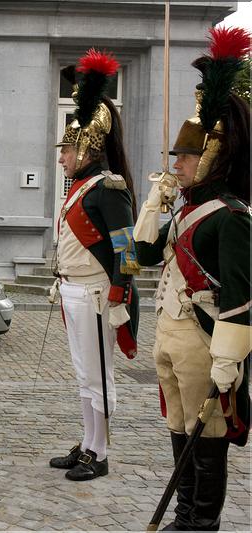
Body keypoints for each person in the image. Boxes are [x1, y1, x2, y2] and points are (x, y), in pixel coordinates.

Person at [133, 27, 250, 530]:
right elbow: (142, 256)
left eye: (182, 157)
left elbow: (241, 298)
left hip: (205, 341)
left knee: (208, 439)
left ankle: (202, 522)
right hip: (169, 335)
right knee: (180, 428)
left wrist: (229, 358)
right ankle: (184, 515)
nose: (174, 165)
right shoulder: (187, 209)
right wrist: (152, 209)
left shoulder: (230, 216)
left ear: (211, 156)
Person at [48, 49, 138, 482]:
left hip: (98, 294)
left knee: (98, 373)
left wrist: (121, 292)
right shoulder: (80, 188)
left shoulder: (108, 188)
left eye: (66, 149)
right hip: (73, 290)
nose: (62, 157)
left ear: (86, 147)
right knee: (84, 372)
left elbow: (129, 248)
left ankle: (99, 452)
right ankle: (87, 440)